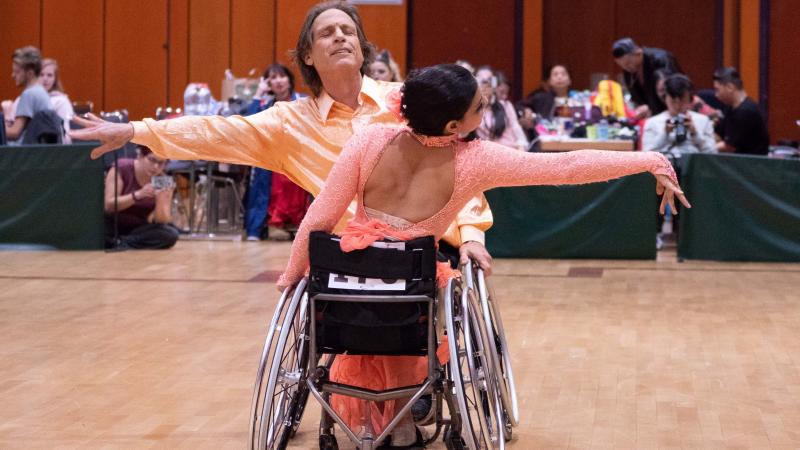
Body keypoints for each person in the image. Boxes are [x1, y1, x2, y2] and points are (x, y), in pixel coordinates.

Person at [276, 63, 689, 443]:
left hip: (352, 285)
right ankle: (401, 419)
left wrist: (291, 275)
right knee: (424, 294)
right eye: (480, 105)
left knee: (377, 291)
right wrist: (650, 160)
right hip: (411, 293)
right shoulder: (475, 161)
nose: (487, 105)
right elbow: (566, 167)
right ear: (454, 124)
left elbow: (318, 219)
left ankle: (386, 415)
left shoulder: (369, 140)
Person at [70, 0, 494, 272]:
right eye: (327, 33)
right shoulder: (288, 123)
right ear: (308, 56)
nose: (340, 37)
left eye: (348, 31)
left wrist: (472, 237)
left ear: (362, 49)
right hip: (349, 257)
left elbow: (458, 170)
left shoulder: (405, 103)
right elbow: (216, 131)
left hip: (430, 249)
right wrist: (136, 130)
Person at [242, 63, 306, 241]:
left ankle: (303, 229)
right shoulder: (264, 104)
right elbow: (248, 122)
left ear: (289, 79)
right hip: (270, 158)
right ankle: (256, 229)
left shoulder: (302, 100)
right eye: (273, 77)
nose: (278, 81)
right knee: (261, 188)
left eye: (281, 76)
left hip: (298, 156)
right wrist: (257, 93)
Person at [105, 145, 179, 250]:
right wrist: (138, 194)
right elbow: (109, 205)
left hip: (138, 227)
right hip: (114, 223)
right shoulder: (121, 167)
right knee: (99, 228)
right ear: (140, 156)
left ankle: (121, 242)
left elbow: (162, 221)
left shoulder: (163, 180)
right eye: (152, 160)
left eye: (162, 163)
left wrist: (161, 201)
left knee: (170, 234)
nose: (156, 167)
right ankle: (124, 242)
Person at [643, 74, 716, 160]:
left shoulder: (703, 121)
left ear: (690, 99)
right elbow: (646, 156)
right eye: (673, 101)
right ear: (665, 98)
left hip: (694, 168)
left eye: (682, 100)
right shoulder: (653, 122)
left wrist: (695, 133)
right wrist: (664, 134)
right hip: (665, 169)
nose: (677, 106)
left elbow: (712, 154)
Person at [612, 37, 681, 119]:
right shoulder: (629, 70)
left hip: (673, 112)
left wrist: (650, 107)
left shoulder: (661, 59)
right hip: (652, 116)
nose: (627, 68)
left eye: (628, 63)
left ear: (638, 53)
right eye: (622, 66)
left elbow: (673, 90)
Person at [713, 67, 770, 155]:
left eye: (717, 90)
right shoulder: (730, 108)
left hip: (750, 166)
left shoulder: (746, 111)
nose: (716, 95)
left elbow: (729, 147)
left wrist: (704, 148)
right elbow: (718, 135)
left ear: (730, 87)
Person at [2, 46, 53, 145]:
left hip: (22, 155)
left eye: (17, 72)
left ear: (30, 73)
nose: (13, 75)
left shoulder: (29, 94)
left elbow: (14, 133)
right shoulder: (40, 91)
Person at [475, 66, 528, 151]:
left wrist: (521, 152)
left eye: (490, 80)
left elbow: (517, 131)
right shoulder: (472, 110)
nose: (486, 85)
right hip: (487, 156)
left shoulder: (506, 105)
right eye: (483, 81)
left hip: (510, 152)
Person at [39, 58, 75, 141]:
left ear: (55, 79)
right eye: (41, 74)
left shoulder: (60, 101)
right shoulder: (26, 97)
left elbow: (67, 136)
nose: (45, 79)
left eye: (49, 75)